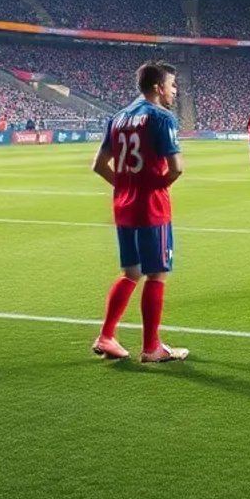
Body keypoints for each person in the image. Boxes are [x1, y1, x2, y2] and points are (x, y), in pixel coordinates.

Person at [89, 60, 189, 364]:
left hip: (123, 206)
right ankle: (151, 347)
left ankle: (106, 336)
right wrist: (154, 187)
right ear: (158, 88)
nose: (175, 90)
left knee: (130, 273)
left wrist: (126, 186)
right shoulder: (161, 117)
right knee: (156, 274)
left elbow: (98, 165)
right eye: (172, 85)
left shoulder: (118, 117)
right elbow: (177, 168)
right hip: (151, 208)